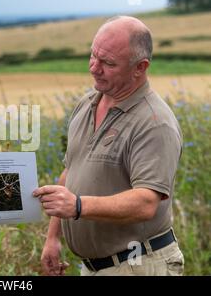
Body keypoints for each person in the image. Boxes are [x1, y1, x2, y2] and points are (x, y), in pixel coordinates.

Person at [33, 16, 184, 276]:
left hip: (140, 265)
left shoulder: (154, 123)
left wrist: (79, 206)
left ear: (140, 67)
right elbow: (71, 173)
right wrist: (53, 237)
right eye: (93, 55)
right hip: (93, 268)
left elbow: (146, 202)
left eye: (108, 63)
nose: (94, 67)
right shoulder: (87, 104)